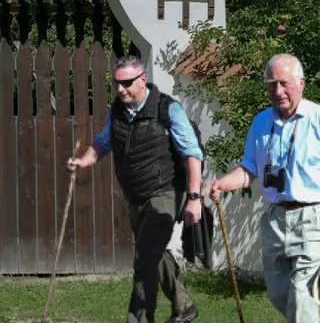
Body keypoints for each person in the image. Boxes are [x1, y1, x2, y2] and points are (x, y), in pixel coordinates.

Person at [67, 55, 203, 323]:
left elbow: (192, 154)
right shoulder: (117, 111)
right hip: (136, 196)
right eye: (116, 83)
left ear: (142, 80)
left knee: (143, 258)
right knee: (152, 251)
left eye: (126, 83)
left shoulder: (167, 109)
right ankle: (184, 306)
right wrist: (83, 160)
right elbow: (103, 143)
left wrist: (194, 198)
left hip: (165, 193)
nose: (120, 89)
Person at [209, 53, 320, 323]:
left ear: (301, 83)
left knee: (301, 296)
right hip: (274, 220)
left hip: (312, 218)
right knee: (278, 293)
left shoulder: (316, 118)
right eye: (272, 84)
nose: (278, 91)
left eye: (284, 83)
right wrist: (222, 183)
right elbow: (249, 170)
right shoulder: (261, 122)